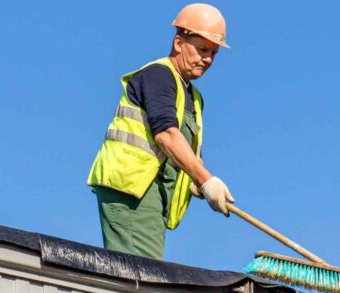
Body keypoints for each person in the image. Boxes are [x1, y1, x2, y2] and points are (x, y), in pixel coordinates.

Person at [86, 3, 234, 260]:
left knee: (148, 278)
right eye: (202, 50)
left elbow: (184, 148)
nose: (207, 59)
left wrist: (195, 178)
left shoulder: (192, 96)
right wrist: (205, 179)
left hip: (150, 195)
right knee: (142, 282)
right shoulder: (159, 76)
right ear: (179, 43)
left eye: (213, 53)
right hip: (131, 191)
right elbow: (166, 134)